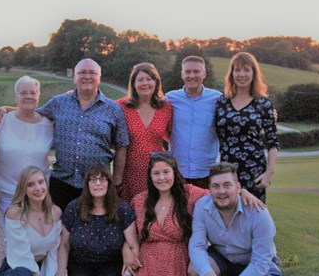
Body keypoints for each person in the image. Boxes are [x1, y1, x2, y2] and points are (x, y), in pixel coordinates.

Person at [0, 59, 129, 211]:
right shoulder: (59, 102)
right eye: (82, 72)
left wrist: (116, 181)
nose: (87, 76)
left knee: (94, 230)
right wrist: (6, 108)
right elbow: (33, 112)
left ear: (99, 78)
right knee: (60, 231)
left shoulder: (113, 109)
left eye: (92, 73)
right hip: (61, 184)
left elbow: (121, 146)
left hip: (97, 183)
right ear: (74, 78)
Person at [118, 151, 209, 276]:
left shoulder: (190, 194)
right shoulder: (140, 200)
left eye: (166, 172)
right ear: (150, 176)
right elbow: (132, 234)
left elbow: (220, 194)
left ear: (174, 172)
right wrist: (126, 252)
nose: (162, 178)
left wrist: (243, 192)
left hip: (174, 263)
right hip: (147, 263)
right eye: (156, 173)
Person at [188, 162, 281, 276]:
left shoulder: (259, 213)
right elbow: (196, 246)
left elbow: (261, 262)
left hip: (253, 261)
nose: (221, 191)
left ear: (238, 187)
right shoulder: (202, 206)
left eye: (227, 185)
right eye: (216, 186)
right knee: (195, 271)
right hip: (222, 257)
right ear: (209, 188)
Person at [54, 165, 139, 276]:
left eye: (102, 179)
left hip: (111, 263)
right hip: (80, 263)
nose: (98, 183)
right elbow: (64, 245)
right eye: (93, 180)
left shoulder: (122, 208)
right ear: (87, 185)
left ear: (109, 183)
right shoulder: (74, 207)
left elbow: (133, 245)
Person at [0, 166, 73, 276]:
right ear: (23, 189)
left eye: (41, 182)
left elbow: (53, 251)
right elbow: (24, 256)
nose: (38, 188)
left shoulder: (56, 212)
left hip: (44, 266)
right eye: (31, 185)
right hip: (16, 268)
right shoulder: (15, 213)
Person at [0, 76, 53, 226]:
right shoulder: (1, 121)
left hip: (40, 195)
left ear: (38, 96)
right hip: (8, 194)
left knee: (39, 240)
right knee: (14, 240)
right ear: (16, 96)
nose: (28, 96)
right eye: (23, 93)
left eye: (32, 92)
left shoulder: (49, 124)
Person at [216, 52, 280, 202]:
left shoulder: (263, 104)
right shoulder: (221, 102)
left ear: (254, 73)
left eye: (246, 70)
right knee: (227, 219)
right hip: (226, 172)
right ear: (231, 73)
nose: (241, 74)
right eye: (237, 70)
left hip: (254, 172)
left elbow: (273, 142)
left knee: (252, 218)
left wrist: (268, 174)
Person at [116, 62, 172, 203]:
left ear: (156, 82)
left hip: (157, 173)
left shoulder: (166, 108)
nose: (145, 83)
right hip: (129, 173)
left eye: (149, 79)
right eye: (140, 79)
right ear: (133, 84)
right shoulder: (120, 106)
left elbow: (172, 137)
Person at [166, 56, 222, 189]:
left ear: (204, 74)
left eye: (196, 71)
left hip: (208, 173)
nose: (192, 75)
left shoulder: (218, 99)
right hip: (177, 172)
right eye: (188, 71)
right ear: (182, 74)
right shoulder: (170, 99)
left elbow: (240, 112)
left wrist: (266, 113)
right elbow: (145, 106)